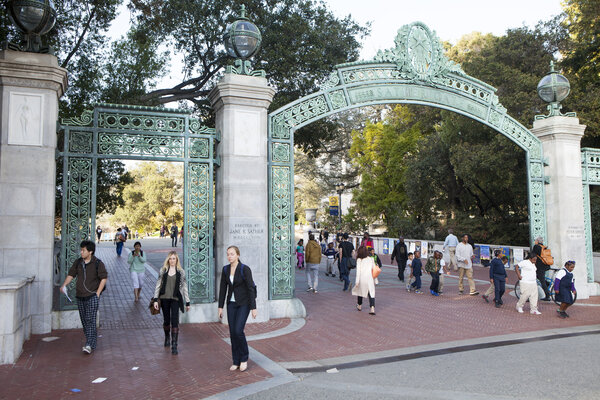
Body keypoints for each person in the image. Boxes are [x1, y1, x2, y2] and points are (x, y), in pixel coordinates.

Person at [59, 240, 107, 354]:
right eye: (81, 250)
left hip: (92, 296)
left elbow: (104, 278)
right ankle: (91, 341)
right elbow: (71, 274)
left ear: (90, 252)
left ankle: (89, 344)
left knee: (90, 319)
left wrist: (98, 293)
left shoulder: (98, 263)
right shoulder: (78, 263)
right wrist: (64, 285)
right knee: (85, 321)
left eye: (83, 250)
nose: (81, 252)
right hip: (80, 296)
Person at [218, 246, 257, 372]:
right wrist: (220, 307)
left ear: (238, 255)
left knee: (238, 331)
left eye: (232, 254)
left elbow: (251, 288)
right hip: (231, 304)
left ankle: (244, 358)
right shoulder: (225, 269)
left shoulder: (244, 269)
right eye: (228, 254)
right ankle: (236, 360)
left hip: (243, 304)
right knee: (232, 333)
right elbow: (223, 289)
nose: (230, 256)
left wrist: (253, 308)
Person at [152, 251, 190, 355]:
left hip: (175, 299)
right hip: (164, 298)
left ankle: (174, 345)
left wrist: (187, 301)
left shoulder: (181, 272)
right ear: (168, 260)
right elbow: (158, 285)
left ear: (177, 260)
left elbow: (184, 286)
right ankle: (167, 337)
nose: (172, 260)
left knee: (175, 321)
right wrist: (156, 299)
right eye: (170, 258)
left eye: (174, 258)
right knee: (166, 320)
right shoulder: (163, 270)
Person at [352, 246, 376, 315]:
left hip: (362, 278)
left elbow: (358, 272)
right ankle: (372, 308)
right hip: (370, 278)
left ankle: (359, 305)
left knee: (360, 292)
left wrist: (357, 282)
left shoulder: (359, 260)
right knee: (371, 293)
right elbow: (374, 269)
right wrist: (375, 279)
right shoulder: (371, 259)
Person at [532, 237, 552, 301]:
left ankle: (547, 295)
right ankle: (547, 283)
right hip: (546, 265)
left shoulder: (536, 246)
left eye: (535, 240)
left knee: (542, 280)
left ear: (537, 241)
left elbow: (532, 255)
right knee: (539, 277)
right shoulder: (544, 247)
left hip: (540, 266)